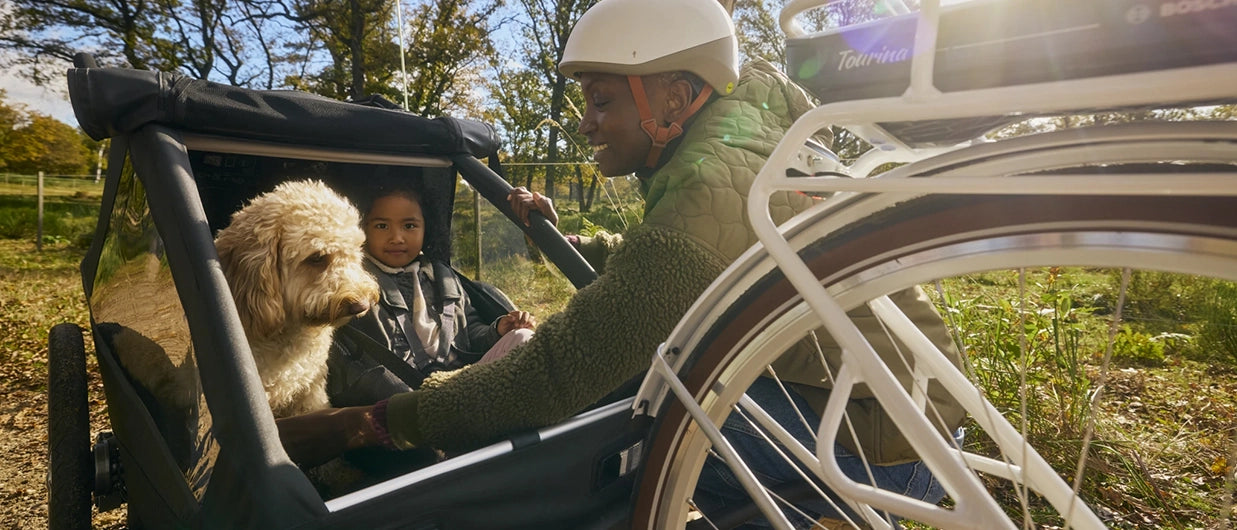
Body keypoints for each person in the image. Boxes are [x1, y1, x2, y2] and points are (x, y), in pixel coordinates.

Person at [278, 0, 966, 525]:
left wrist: (365, 423)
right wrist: (585, 245)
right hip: (912, 414)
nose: (583, 122)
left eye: (601, 99)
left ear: (672, 96)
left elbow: (554, 375)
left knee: (631, 411)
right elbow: (709, 264)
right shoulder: (742, 146)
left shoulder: (702, 192)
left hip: (878, 451)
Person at [326, 185, 536, 407]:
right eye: (382, 226)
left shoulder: (443, 277)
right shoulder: (354, 283)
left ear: (426, 229)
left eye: (409, 226)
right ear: (363, 230)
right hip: (403, 397)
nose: (397, 237)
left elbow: (469, 332)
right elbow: (357, 363)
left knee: (523, 338)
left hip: (463, 379)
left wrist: (498, 330)